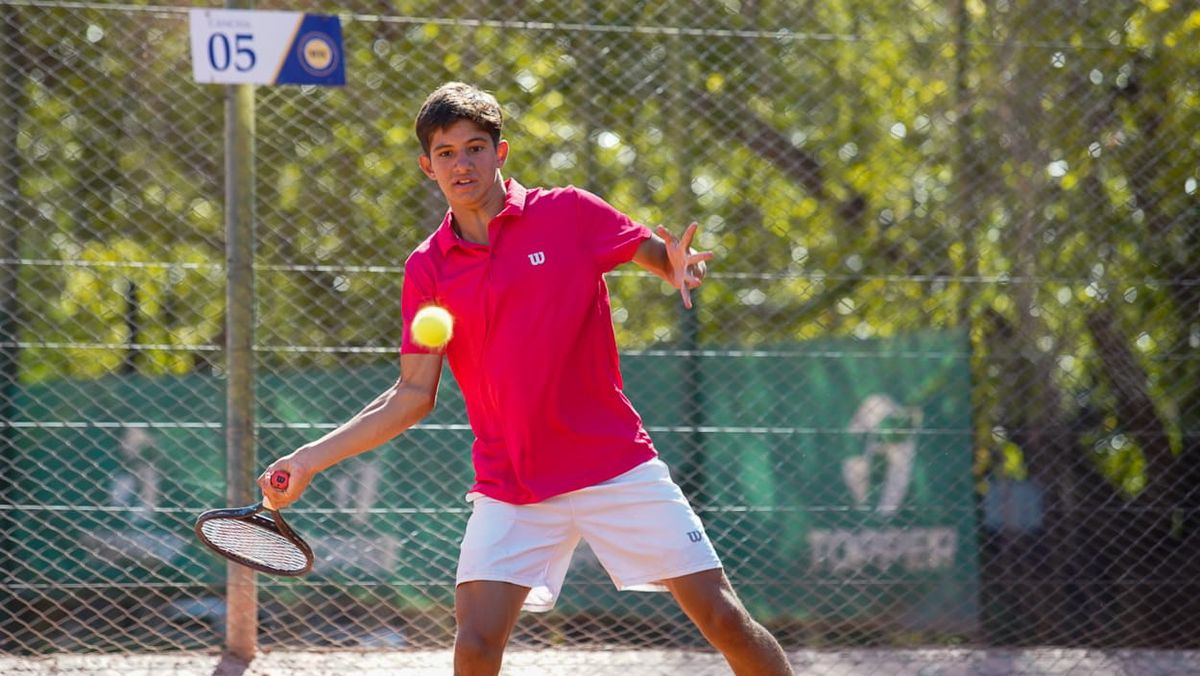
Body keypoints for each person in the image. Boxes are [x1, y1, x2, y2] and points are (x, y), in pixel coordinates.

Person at [258, 82, 794, 676]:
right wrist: (309, 458)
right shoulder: (427, 268)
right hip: (512, 485)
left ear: (500, 152)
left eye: (475, 148)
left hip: (611, 463)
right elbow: (412, 394)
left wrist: (672, 265)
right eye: (446, 153)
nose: (462, 164)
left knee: (722, 620)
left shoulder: (567, 213)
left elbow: (648, 251)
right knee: (476, 645)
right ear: (426, 166)